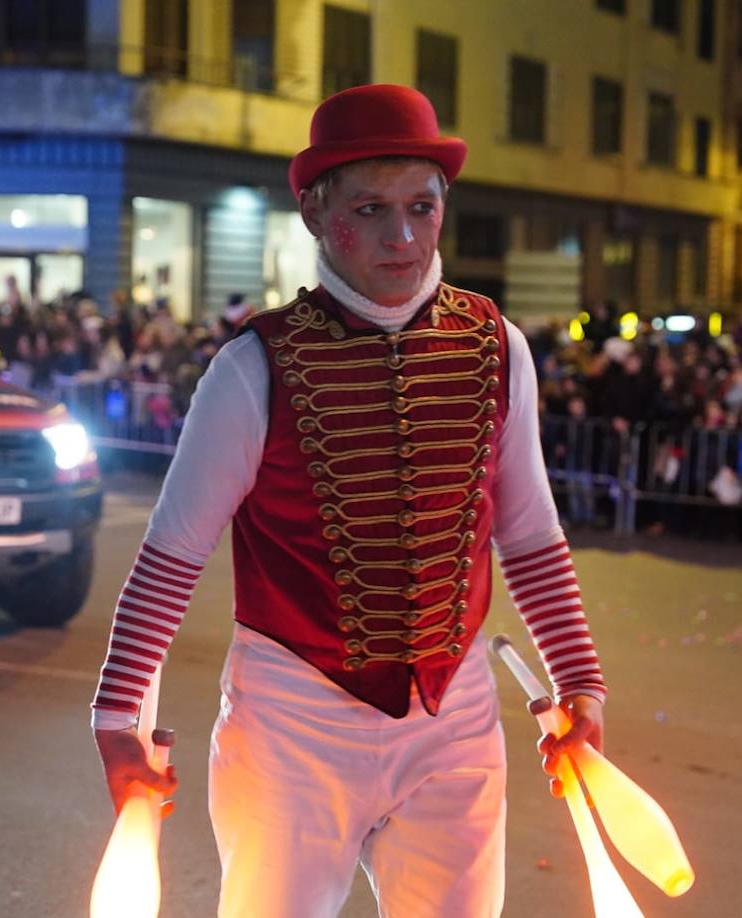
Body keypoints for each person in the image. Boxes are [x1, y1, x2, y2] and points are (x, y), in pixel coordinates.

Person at [89, 84, 609, 918]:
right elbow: (173, 552)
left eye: (421, 206)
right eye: (370, 209)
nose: (401, 237)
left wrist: (581, 683)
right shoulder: (252, 367)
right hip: (292, 721)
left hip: (456, 713)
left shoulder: (498, 346)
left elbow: (530, 532)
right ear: (314, 213)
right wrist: (118, 714)